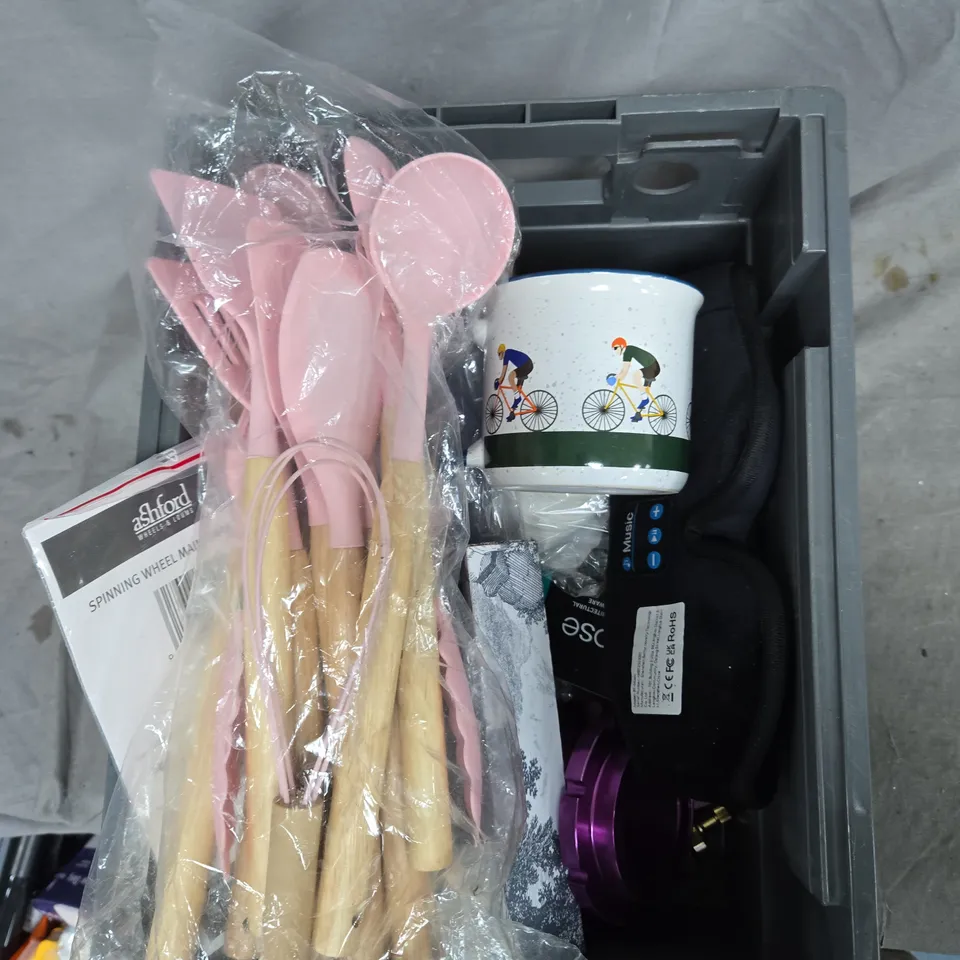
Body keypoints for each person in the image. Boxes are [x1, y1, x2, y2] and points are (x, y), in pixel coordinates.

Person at [611, 336, 661, 422]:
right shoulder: (627, 352)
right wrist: (616, 377)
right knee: (644, 391)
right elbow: (623, 370)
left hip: (653, 367)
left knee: (636, 375)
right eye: (613, 349)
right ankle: (638, 415)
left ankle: (645, 399)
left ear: (622, 346)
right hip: (651, 367)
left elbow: (625, 371)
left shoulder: (628, 350)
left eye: (616, 348)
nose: (615, 351)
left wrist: (615, 378)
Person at [495, 343, 534, 421]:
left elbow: (503, 372)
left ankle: (518, 399)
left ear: (502, 352)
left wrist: (498, 382)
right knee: (516, 389)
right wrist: (500, 380)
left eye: (499, 354)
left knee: (510, 377)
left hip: (526, 365)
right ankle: (512, 413)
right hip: (527, 365)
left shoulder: (507, 353)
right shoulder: (507, 354)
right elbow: (503, 373)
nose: (499, 356)